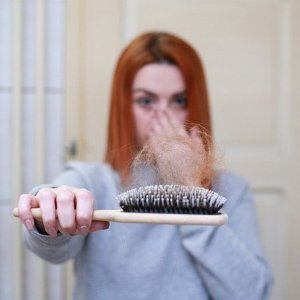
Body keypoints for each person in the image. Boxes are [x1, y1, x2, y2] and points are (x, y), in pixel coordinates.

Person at [18, 32, 273, 300]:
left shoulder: (232, 190)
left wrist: (191, 189)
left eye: (179, 101)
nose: (163, 116)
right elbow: (52, 247)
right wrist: (51, 213)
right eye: (146, 101)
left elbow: (253, 293)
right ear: (123, 106)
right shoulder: (92, 181)